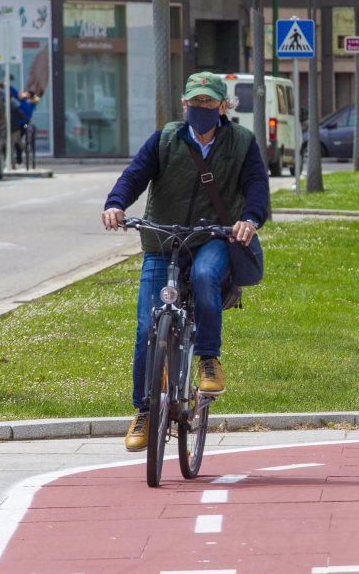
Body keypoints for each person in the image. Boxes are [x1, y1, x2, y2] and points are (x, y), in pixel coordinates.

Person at [102, 72, 269, 452]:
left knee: (207, 274)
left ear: (223, 106)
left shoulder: (241, 142)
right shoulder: (166, 139)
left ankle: (209, 359)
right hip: (163, 238)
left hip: (213, 237)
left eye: (209, 103)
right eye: (195, 102)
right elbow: (134, 175)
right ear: (184, 104)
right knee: (148, 327)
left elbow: (257, 185)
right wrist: (115, 204)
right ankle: (144, 411)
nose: (201, 109)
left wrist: (249, 219)